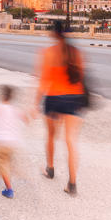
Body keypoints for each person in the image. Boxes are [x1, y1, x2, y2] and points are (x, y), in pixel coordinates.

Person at [34, 20, 86, 195]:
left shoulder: (49, 52)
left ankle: (50, 169)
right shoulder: (77, 53)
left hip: (54, 98)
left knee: (51, 135)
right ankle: (72, 183)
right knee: (70, 140)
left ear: (54, 34)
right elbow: (81, 77)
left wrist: (35, 103)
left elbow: (43, 81)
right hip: (74, 98)